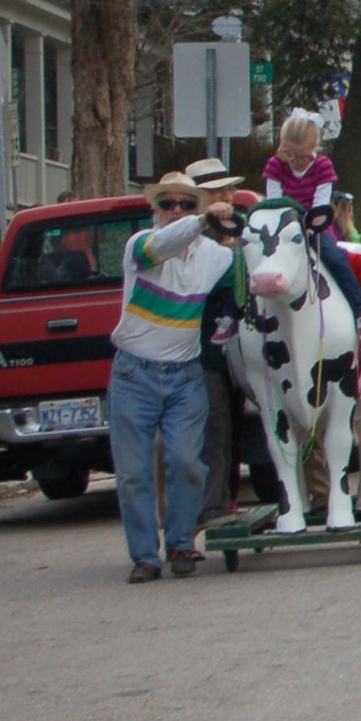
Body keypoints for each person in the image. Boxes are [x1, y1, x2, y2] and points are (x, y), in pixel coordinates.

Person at [109, 174, 237, 581]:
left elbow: (248, 270)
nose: (177, 210)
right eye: (169, 204)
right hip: (134, 373)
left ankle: (181, 543)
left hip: (185, 375)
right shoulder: (141, 247)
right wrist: (202, 223)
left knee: (186, 462)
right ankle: (145, 555)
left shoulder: (215, 257)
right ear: (156, 210)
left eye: (187, 204)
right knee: (133, 475)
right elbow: (165, 243)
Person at [264, 111, 361, 329]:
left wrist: (310, 227)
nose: (295, 159)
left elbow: (321, 204)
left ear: (314, 147)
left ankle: (360, 311)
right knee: (256, 257)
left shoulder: (322, 166)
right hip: (283, 225)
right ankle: (234, 313)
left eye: (302, 154)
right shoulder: (276, 165)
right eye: (290, 153)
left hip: (315, 224)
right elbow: (273, 201)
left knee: (334, 258)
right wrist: (289, 226)